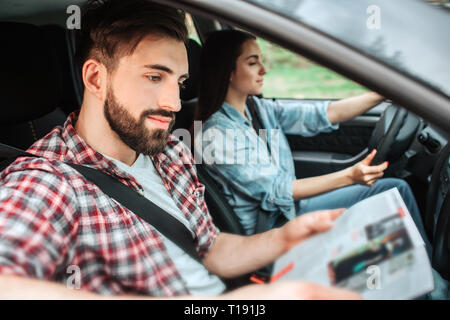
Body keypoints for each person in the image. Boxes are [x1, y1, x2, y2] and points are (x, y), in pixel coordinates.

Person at [0, 0, 361, 299]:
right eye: (154, 77)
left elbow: (210, 249)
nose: (174, 102)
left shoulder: (170, 150)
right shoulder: (48, 180)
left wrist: (285, 237)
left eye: (181, 82)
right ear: (96, 78)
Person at [195, 30, 431, 254]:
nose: (264, 70)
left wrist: (381, 94)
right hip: (272, 228)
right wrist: (350, 176)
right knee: (392, 196)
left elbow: (326, 114)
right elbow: (278, 191)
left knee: (394, 190)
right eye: (253, 62)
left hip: (290, 209)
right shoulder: (216, 134)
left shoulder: (256, 108)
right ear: (229, 71)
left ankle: (428, 274)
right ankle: (435, 289)